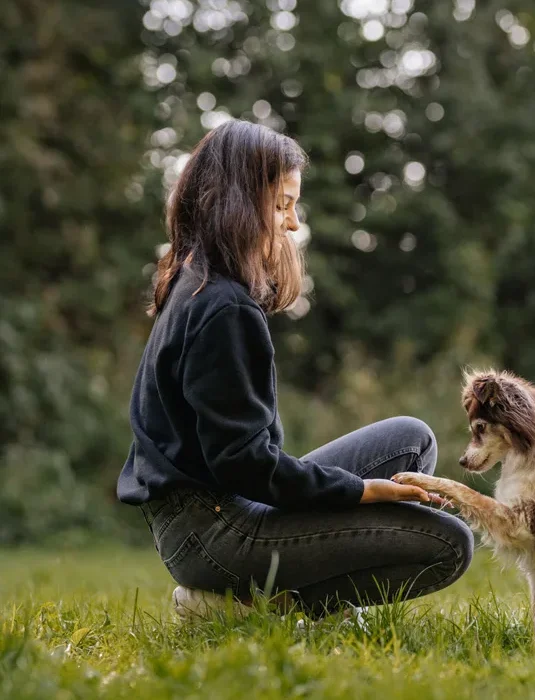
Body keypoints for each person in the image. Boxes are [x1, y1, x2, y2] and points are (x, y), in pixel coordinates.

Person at [117, 120, 473, 619]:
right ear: (236, 202)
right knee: (450, 544)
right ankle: (255, 605)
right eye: (281, 204)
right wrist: (361, 491)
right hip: (214, 535)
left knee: (412, 442)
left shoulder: (196, 279)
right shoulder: (222, 308)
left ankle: (262, 594)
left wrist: (352, 494)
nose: (292, 222)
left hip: (206, 519)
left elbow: (244, 461)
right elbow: (245, 464)